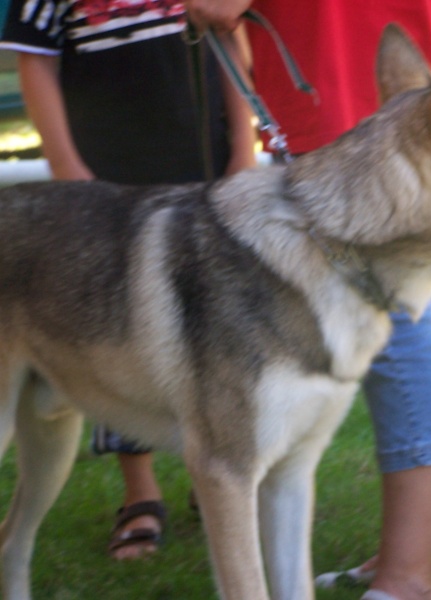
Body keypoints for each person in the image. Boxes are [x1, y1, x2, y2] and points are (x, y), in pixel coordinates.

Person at [186, 2, 431, 600]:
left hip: (353, 126)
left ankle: (410, 581)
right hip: (419, 108)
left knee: (405, 355)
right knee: (427, 324)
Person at [0, 0, 256, 560]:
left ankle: (218, 471)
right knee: (124, 333)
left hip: (205, 166)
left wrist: (243, 148)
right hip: (107, 184)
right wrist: (68, 168)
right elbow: (35, 60)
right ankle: (140, 490)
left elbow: (229, 39)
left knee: (220, 330)